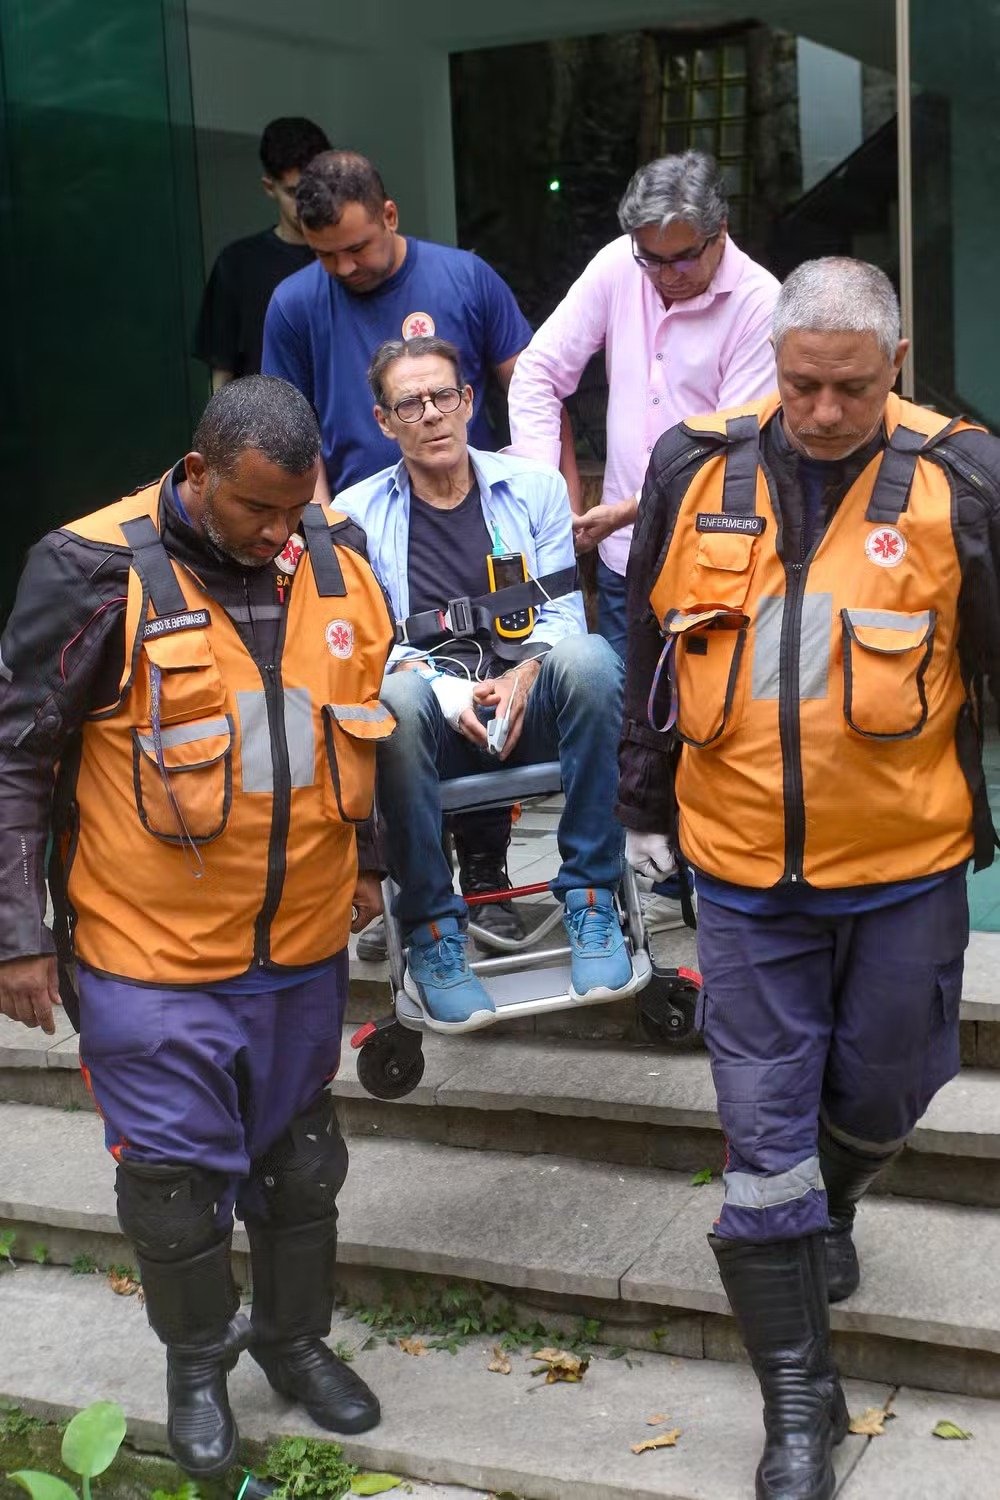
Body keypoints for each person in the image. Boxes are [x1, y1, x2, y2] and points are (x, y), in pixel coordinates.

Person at [619, 257, 1000, 1500]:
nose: (824, 411)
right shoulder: (692, 466)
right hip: (739, 873)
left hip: (903, 862)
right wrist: (634, 814)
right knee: (761, 1136)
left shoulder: (964, 476)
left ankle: (835, 1201)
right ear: (768, 366)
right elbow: (647, 652)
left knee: (893, 1085)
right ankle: (798, 1396)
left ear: (894, 367)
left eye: (850, 387)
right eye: (801, 385)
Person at [0, 377, 393, 1477]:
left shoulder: (338, 554)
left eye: (294, 508)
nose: (278, 534)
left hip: (299, 945)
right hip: (149, 955)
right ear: (199, 472)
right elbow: (15, 756)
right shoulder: (92, 570)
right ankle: (197, 1370)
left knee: (301, 1164)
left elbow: (362, 722)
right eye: (256, 510)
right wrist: (16, 934)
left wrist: (370, 862)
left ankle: (294, 1341)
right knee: (173, 1189)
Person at [264, 149, 537, 946]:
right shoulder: (293, 303)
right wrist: (318, 539)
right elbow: (293, 433)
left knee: (482, 670)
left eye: (358, 247)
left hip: (467, 515)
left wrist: (536, 496)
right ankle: (406, 881)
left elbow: (527, 387)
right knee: (380, 702)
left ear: (389, 216)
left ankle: (485, 869)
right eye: (326, 255)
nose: (345, 267)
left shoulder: (463, 278)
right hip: (358, 531)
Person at [338, 334, 638, 1030]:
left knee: (591, 658)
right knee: (395, 697)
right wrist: (440, 688)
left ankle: (592, 899)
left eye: (444, 396)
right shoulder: (353, 515)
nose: (432, 414)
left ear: (468, 401)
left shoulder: (532, 487)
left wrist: (528, 669)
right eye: (410, 404)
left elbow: (563, 608)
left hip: (529, 706)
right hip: (429, 719)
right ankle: (434, 933)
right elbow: (361, 648)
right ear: (384, 421)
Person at [507, 149, 779, 661]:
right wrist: (543, 493)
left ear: (720, 230)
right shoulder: (618, 264)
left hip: (715, 559)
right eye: (651, 259)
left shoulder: (761, 304)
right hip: (622, 560)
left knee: (707, 724)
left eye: (683, 258)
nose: (666, 275)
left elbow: (727, 451)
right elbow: (537, 373)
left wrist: (627, 511)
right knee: (622, 721)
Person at [194, 116, 331, 389]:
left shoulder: (351, 256)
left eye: (315, 190)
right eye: (294, 192)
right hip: (267, 427)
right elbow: (222, 375)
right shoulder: (238, 265)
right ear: (270, 187)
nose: (306, 203)